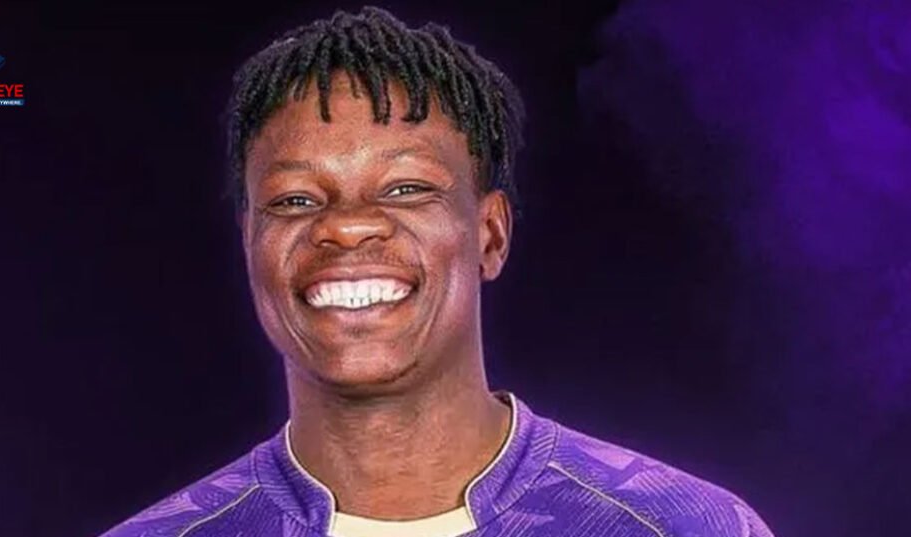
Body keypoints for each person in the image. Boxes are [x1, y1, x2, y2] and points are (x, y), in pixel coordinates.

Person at [101, 6, 774, 537]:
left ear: (490, 234)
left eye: (406, 189)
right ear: (250, 239)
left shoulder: (682, 527)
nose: (346, 226)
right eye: (295, 199)